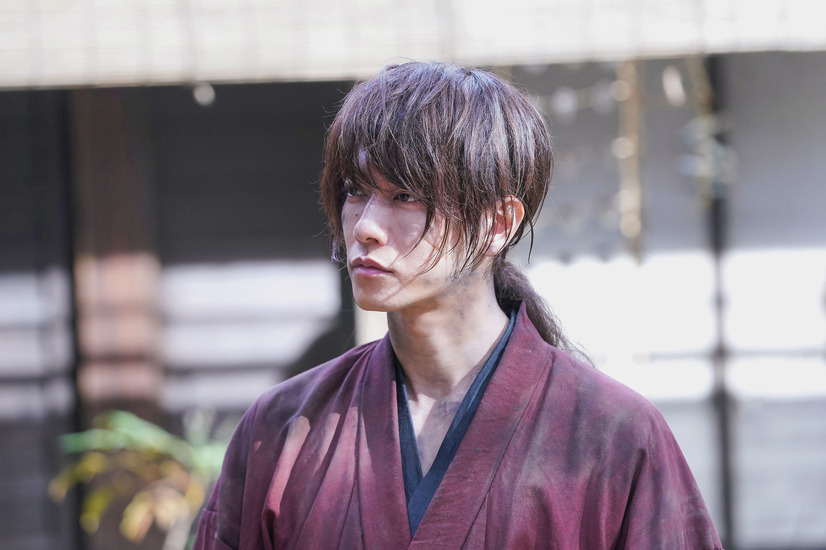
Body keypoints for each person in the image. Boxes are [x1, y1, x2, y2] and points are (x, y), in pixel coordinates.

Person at [193, 62, 722, 549]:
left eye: (405, 196)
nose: (366, 226)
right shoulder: (283, 428)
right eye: (355, 191)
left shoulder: (613, 434)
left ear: (498, 224)